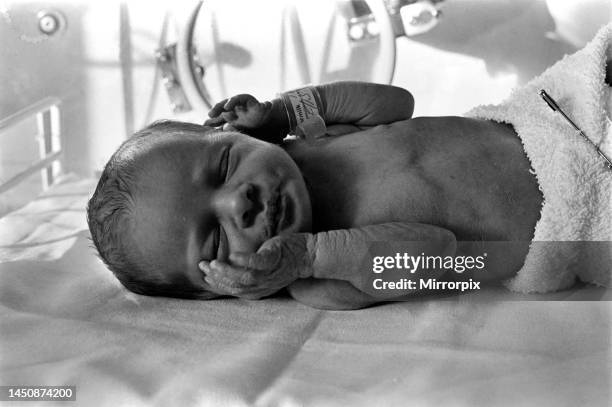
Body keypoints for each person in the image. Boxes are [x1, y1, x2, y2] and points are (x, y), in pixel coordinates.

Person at [88, 81, 548, 309]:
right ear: (222, 289)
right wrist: (309, 255)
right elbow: (441, 253)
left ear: (235, 134)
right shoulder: (321, 281)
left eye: (225, 164)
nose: (236, 203)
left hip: (540, 123)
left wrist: (286, 111)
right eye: (215, 243)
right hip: (564, 205)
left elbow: (395, 103)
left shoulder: (308, 142)